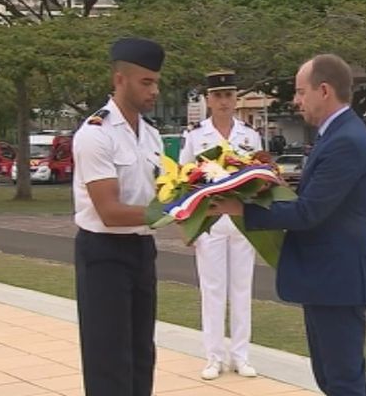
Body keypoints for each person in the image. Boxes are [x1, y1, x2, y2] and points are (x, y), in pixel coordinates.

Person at [210, 54, 366, 396]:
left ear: (325, 90)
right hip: (326, 278)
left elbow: (309, 212)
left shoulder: (345, 140)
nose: (296, 100)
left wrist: (241, 208)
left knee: (343, 381)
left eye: (301, 92)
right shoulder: (335, 135)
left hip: (337, 280)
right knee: (331, 378)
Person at [72, 37, 164, 396]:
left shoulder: (152, 135)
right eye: (146, 82)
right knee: (108, 359)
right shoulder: (95, 134)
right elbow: (109, 212)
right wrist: (172, 213)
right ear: (119, 79)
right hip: (104, 254)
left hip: (143, 250)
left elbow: (163, 191)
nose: (154, 90)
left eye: (156, 82)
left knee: (142, 354)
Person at [179, 70, 261, 380]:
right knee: (212, 291)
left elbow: (259, 179)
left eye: (229, 95)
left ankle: (241, 355)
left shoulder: (249, 136)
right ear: (209, 100)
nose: (224, 102)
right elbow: (184, 181)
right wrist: (187, 225)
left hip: (242, 221)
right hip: (211, 221)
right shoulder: (195, 135)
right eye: (218, 96)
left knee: (242, 290)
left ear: (235, 98)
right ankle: (213, 356)